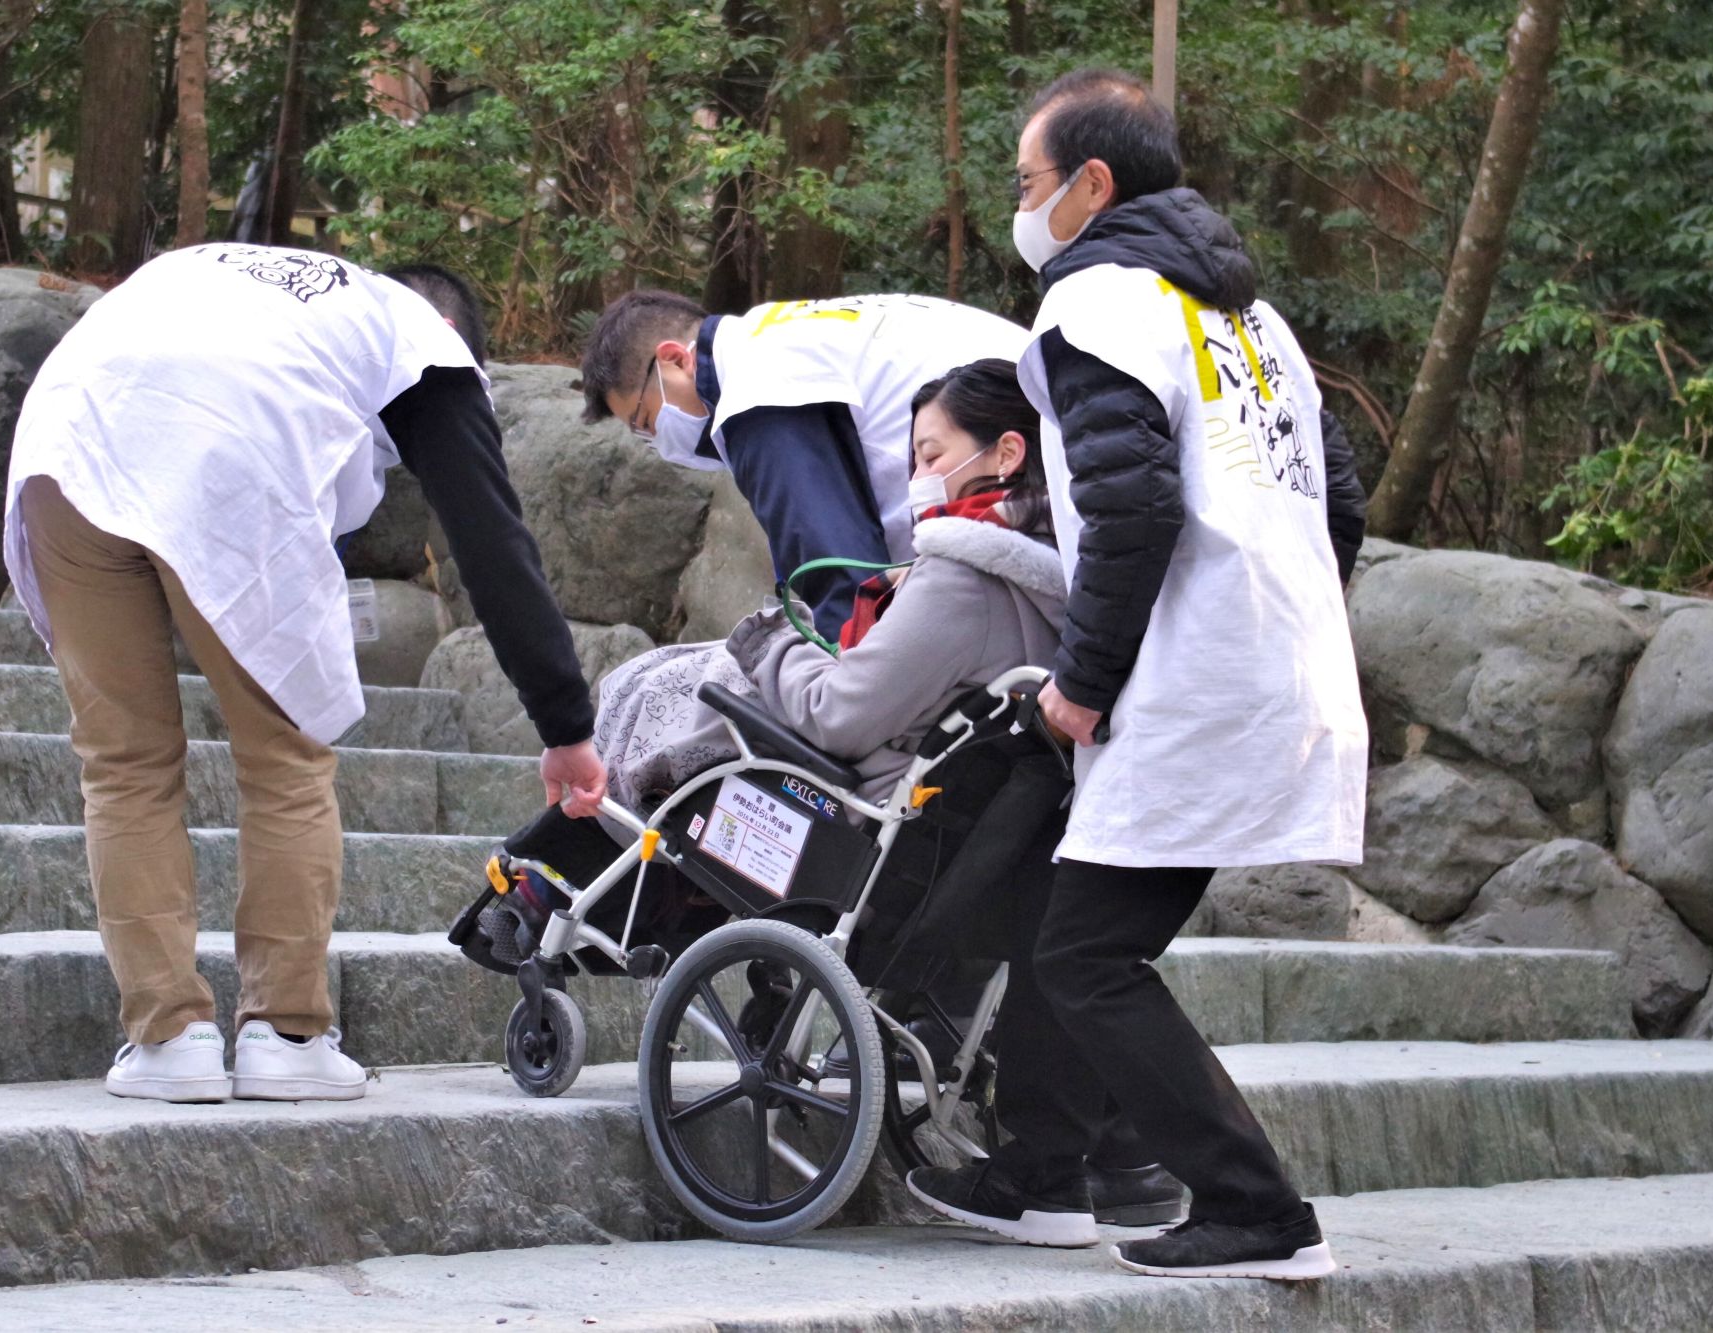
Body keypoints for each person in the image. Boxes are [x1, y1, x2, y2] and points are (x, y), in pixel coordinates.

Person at [904, 69, 1368, 1281]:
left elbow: (1129, 510)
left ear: (1090, 185)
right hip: (1269, 667)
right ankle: (1040, 1174)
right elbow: (1341, 504)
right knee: (1074, 929)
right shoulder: (1253, 323)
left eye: (1026, 182)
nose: (1017, 206)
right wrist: (1283, 628)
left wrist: (1083, 678)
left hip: (1186, 681)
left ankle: (1256, 1209)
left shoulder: (1097, 304)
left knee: (1083, 955)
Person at [2, 244, 606, 1105]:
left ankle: (167, 1040)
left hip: (69, 437)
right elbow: (491, 544)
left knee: (123, 762)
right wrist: (566, 725)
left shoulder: (259, 287)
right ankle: (285, 1035)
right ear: (450, 331)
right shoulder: (421, 345)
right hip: (225, 448)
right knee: (284, 756)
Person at [590, 358, 1062, 812]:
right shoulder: (1056, 572)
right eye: (914, 463)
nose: (918, 480)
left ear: (1007, 454)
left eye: (931, 456)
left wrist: (769, 642)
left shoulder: (962, 579)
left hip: (843, 802)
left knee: (668, 685)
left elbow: (834, 717)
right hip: (937, 810)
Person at [577, 290, 1029, 637]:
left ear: (676, 359)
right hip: (1031, 450)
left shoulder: (757, 387)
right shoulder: (775, 333)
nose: (658, 442)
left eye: (647, 420)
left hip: (1021, 471)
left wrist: (846, 698)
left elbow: (837, 569)